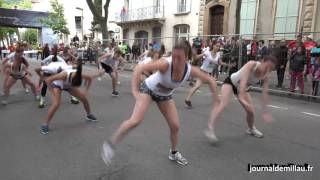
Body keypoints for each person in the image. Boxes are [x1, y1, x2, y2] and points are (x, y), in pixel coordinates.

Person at [101, 41, 218, 166]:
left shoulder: (190, 71)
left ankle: (173, 153)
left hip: (165, 96)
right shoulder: (165, 64)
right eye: (174, 56)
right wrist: (135, 92)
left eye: (179, 57)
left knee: (175, 126)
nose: (175, 60)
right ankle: (110, 144)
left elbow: (210, 81)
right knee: (135, 120)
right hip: (148, 90)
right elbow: (138, 69)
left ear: (187, 58)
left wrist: (215, 99)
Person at [205, 55, 278, 143]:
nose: (268, 70)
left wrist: (265, 111)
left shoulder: (265, 75)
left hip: (243, 88)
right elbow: (243, 81)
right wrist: (241, 97)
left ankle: (251, 129)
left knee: (251, 111)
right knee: (223, 104)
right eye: (267, 66)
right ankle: (210, 129)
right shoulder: (252, 64)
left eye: (271, 69)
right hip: (231, 83)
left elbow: (265, 94)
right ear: (262, 61)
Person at [37, 60, 98, 134]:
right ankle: (45, 124)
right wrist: (52, 92)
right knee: (56, 104)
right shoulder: (63, 75)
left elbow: (90, 79)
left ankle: (89, 114)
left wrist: (86, 91)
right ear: (72, 80)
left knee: (84, 99)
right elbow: (48, 80)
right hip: (58, 85)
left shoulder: (79, 75)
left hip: (68, 85)